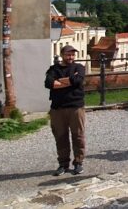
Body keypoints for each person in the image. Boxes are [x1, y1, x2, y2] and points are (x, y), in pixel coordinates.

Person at [44, 45, 86, 176]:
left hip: (75, 106)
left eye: (73, 55)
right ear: (62, 55)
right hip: (58, 108)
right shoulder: (53, 69)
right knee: (60, 137)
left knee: (78, 136)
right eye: (68, 54)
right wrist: (69, 81)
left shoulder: (79, 68)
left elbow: (78, 80)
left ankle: (78, 162)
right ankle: (63, 164)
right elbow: (49, 83)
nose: (71, 57)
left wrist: (60, 82)